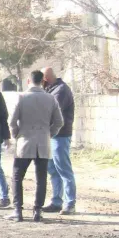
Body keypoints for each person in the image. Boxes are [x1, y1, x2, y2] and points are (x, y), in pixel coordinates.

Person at [5, 70, 64, 223]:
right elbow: (59, 122)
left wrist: (17, 134)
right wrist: (48, 133)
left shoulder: (22, 97)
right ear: (43, 81)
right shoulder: (50, 99)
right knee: (41, 178)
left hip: (25, 141)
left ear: (28, 81)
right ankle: (37, 211)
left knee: (17, 176)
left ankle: (18, 210)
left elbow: (12, 121)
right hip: (43, 142)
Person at [41, 67, 78, 215]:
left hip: (60, 135)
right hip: (51, 136)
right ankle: (57, 201)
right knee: (53, 170)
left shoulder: (61, 91)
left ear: (45, 78)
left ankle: (70, 203)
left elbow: (50, 112)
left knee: (64, 170)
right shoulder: (51, 89)